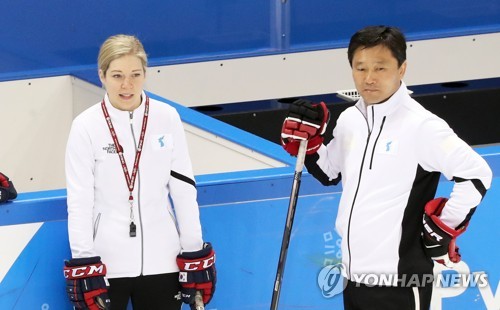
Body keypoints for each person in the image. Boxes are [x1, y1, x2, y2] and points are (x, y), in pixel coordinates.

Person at [280, 25, 492, 309]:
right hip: (353, 277)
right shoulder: (350, 120)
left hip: (401, 282)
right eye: (360, 68)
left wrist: (444, 227)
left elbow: (477, 174)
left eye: (380, 68)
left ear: (402, 69)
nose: (369, 78)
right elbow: (330, 172)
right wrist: (308, 146)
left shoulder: (422, 126)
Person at [63, 34, 216, 310]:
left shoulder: (166, 118)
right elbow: (79, 200)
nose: (127, 84)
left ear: (146, 74)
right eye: (117, 75)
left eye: (135, 74)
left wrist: (193, 251)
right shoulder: (85, 126)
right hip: (106, 265)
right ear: (102, 75)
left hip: (164, 260)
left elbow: (183, 189)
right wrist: (85, 260)